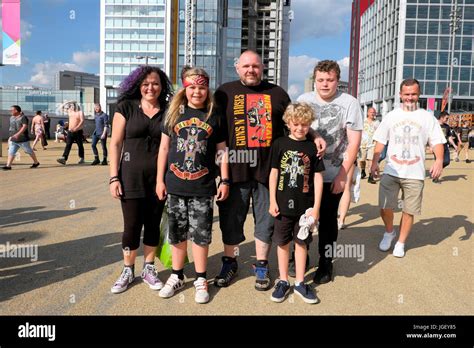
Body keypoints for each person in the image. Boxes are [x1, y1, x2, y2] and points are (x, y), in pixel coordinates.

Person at [213, 50, 326, 291]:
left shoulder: (277, 93)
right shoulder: (224, 92)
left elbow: (296, 120)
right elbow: (217, 132)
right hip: (234, 170)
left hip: (269, 173)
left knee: (266, 223)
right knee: (231, 221)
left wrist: (315, 135)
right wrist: (220, 175)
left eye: (255, 66)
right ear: (237, 68)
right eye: (246, 66)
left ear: (262, 68)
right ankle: (230, 261)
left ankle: (262, 265)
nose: (251, 70)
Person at [156, 67, 229, 304]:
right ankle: (176, 275)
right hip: (175, 184)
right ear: (184, 89)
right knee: (177, 233)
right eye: (192, 87)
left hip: (203, 186)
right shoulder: (174, 113)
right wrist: (159, 180)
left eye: (201, 87)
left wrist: (224, 179)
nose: (197, 91)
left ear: (207, 89)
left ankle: (200, 278)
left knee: (201, 234)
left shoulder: (215, 115)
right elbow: (164, 149)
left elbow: (221, 151)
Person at [297, 60, 363, 284]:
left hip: (332, 171)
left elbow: (354, 143)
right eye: (320, 80)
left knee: (327, 222)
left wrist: (343, 174)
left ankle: (326, 262)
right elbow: (294, 129)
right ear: (314, 80)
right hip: (304, 173)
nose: (325, 84)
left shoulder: (350, 103)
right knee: (302, 218)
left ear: (338, 80)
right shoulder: (304, 100)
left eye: (330, 80)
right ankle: (302, 257)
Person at [109, 65, 173, 294]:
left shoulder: (168, 109)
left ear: (162, 85)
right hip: (130, 177)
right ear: (138, 86)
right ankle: (127, 269)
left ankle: (149, 268)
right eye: (145, 84)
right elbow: (115, 144)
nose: (150, 88)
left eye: (155, 83)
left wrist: (163, 179)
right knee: (132, 225)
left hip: (158, 179)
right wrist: (113, 177)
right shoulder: (125, 107)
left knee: (153, 224)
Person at [370, 78, 445, 258]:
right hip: (391, 170)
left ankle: (401, 242)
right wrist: (374, 161)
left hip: (415, 172)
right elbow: (381, 140)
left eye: (413, 94)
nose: (410, 98)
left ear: (418, 94)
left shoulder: (427, 117)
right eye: (406, 94)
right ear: (400, 95)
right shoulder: (391, 116)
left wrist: (439, 160)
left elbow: (437, 141)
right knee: (385, 207)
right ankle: (389, 232)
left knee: (409, 210)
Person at [268, 102, 324, 304]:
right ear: (288, 123)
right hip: (282, 204)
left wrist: (316, 208)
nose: (300, 128)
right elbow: (273, 173)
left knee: (302, 243)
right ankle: (283, 280)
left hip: (305, 207)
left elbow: (318, 178)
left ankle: (300, 282)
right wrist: (273, 200)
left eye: (305, 124)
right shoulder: (279, 144)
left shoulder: (312, 147)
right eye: (296, 124)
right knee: (282, 242)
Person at [2, 105, 40, 170]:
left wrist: (18, 134)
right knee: (11, 152)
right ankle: (8, 166)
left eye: (12, 110)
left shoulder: (23, 118)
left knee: (29, 151)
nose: (10, 111)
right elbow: (11, 127)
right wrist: (10, 137)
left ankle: (36, 162)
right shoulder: (11, 117)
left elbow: (24, 126)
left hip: (23, 139)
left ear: (16, 111)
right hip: (13, 139)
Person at [433, 111, 457, 183]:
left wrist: (454, 145)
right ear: (442, 117)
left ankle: (435, 170)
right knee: (438, 161)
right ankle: (436, 177)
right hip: (437, 146)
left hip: (445, 146)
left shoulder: (447, 127)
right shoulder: (434, 125)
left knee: (447, 161)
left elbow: (449, 137)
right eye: (446, 118)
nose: (447, 120)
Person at [359, 107, 379, 184]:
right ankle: (363, 171)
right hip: (362, 144)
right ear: (367, 113)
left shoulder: (377, 122)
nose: (373, 113)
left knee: (371, 160)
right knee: (362, 160)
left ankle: (370, 176)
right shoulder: (362, 122)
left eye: (374, 112)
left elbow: (379, 132)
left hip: (372, 144)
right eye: (371, 112)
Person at [337, 162, 357, 230]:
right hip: (349, 156)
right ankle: (341, 221)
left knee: (329, 183)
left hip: (331, 156)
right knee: (346, 187)